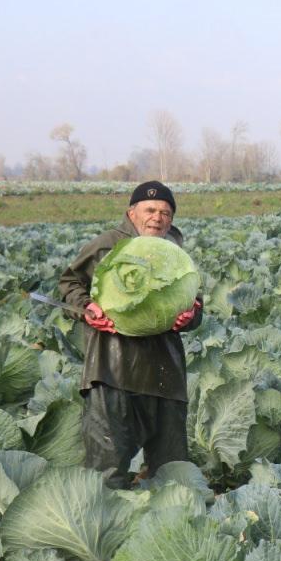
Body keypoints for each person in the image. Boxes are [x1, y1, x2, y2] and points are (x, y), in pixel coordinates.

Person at [58, 181, 202, 488]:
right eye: (150, 210)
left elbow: (194, 302)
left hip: (165, 371)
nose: (157, 217)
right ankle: (106, 523)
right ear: (131, 213)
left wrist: (191, 315)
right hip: (113, 369)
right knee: (108, 462)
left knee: (171, 465)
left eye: (165, 212)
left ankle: (170, 524)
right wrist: (86, 307)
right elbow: (69, 284)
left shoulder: (174, 252)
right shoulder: (107, 245)